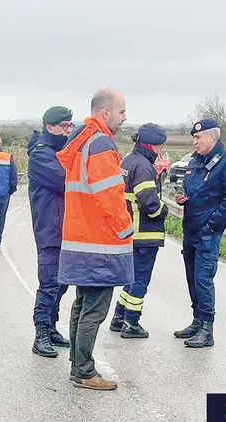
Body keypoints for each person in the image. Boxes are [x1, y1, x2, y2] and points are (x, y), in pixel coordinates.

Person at [57, 88, 133, 391]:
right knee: (94, 310)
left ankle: (78, 366)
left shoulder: (82, 142)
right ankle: (85, 371)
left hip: (80, 239)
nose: (125, 117)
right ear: (106, 113)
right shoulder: (101, 144)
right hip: (100, 242)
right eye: (122, 111)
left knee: (82, 305)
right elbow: (110, 195)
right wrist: (126, 227)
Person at [173, 119, 226, 348]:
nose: (195, 142)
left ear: (212, 138)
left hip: (207, 231)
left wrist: (212, 225)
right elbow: (192, 189)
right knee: (192, 277)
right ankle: (196, 320)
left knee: (203, 279)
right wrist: (183, 197)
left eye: (198, 138)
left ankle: (207, 328)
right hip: (190, 228)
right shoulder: (195, 161)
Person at [109, 123, 171, 339]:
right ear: (153, 145)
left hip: (129, 231)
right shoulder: (144, 166)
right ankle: (131, 323)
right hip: (144, 232)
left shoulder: (128, 161)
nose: (161, 151)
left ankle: (118, 318)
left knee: (131, 277)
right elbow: (149, 203)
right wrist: (165, 210)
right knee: (140, 280)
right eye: (160, 146)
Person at [27, 106, 74, 358]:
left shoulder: (60, 151)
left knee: (62, 281)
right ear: (50, 127)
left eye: (70, 126)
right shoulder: (41, 154)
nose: (68, 131)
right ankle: (41, 332)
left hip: (66, 226)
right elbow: (64, 180)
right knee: (49, 282)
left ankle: (52, 324)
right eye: (64, 126)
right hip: (49, 227)